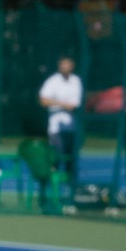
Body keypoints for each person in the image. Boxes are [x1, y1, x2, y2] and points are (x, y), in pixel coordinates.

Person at [39, 55, 83, 185]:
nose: (65, 67)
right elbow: (43, 100)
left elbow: (77, 103)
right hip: (56, 130)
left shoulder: (76, 81)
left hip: (73, 128)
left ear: (72, 66)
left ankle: (71, 190)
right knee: (57, 157)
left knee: (72, 159)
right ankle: (51, 188)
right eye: (63, 65)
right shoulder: (53, 81)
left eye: (67, 65)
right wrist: (63, 104)